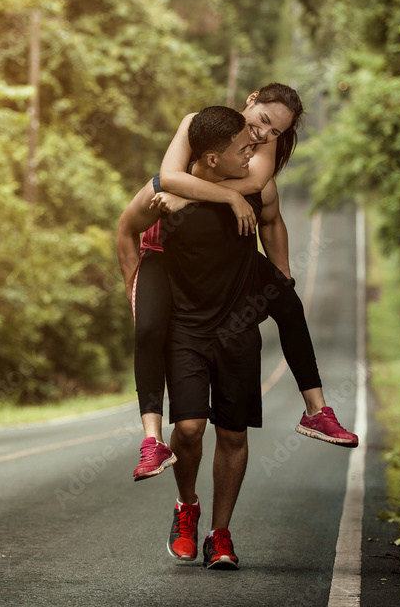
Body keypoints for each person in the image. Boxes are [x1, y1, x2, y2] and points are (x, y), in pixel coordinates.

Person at [116, 83, 357, 483]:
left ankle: (317, 412)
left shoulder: (261, 144)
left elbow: (254, 189)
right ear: (251, 100)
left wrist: (281, 273)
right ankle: (152, 440)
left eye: (276, 132)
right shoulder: (196, 125)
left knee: (289, 303)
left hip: (224, 250)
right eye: (263, 121)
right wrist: (132, 282)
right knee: (150, 329)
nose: (263, 136)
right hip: (162, 253)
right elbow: (169, 178)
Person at [158, 106, 269, 568]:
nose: (255, 153)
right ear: (208, 158)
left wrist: (280, 277)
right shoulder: (169, 198)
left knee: (233, 434)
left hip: (237, 330)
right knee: (187, 428)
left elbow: (273, 212)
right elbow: (129, 224)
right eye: (243, 149)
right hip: (185, 328)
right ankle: (187, 506)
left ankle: (219, 534)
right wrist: (133, 291)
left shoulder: (256, 191)